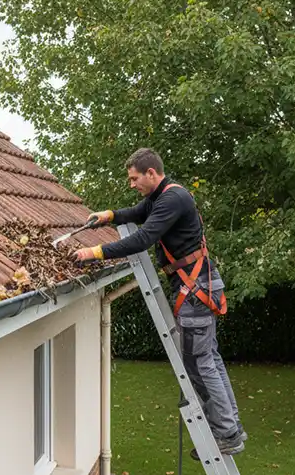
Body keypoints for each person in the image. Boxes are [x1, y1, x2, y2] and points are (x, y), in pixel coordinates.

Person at [72, 148, 247, 457]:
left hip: (196, 290)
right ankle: (230, 427)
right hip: (198, 287)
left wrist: (95, 252)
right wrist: (109, 216)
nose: (131, 184)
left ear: (151, 173)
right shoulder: (161, 196)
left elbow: (143, 238)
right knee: (210, 360)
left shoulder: (172, 199)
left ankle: (226, 433)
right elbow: (137, 213)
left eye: (134, 178)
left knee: (200, 363)